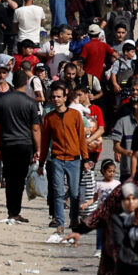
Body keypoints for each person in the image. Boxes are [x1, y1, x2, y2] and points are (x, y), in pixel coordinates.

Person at [40, 82, 90, 237]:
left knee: (74, 193)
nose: (56, 99)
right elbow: (45, 142)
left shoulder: (75, 115)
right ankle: (60, 223)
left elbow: (81, 138)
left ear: (65, 97)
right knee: (58, 192)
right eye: (54, 97)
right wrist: (41, 163)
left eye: (59, 97)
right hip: (57, 159)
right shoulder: (49, 118)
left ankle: (74, 219)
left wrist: (86, 159)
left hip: (75, 159)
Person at [0, 70, 41, 223]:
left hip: (7, 144)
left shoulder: (2, 102)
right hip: (24, 145)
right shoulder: (31, 103)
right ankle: (16, 211)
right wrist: (38, 149)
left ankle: (11, 210)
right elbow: (35, 129)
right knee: (19, 180)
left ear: (13, 83)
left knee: (9, 178)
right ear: (26, 83)